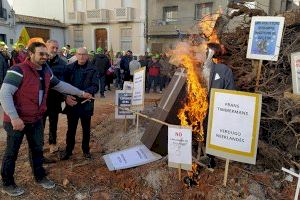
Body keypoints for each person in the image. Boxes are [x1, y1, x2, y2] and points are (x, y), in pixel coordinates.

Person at [0, 42, 92, 197]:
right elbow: (4, 93)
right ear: (30, 53)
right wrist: (15, 118)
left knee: (37, 150)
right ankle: (7, 183)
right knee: (11, 153)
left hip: (35, 119)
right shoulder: (18, 70)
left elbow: (61, 85)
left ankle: (40, 177)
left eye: (46, 54)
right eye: (40, 53)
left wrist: (81, 93)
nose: (45, 56)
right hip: (17, 121)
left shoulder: (46, 71)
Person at [61, 47, 99, 160]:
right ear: (75, 55)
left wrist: (87, 93)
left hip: (86, 103)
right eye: (79, 54)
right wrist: (66, 96)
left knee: (86, 128)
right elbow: (63, 84)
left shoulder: (93, 69)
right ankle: (68, 151)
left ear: (87, 56)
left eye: (84, 54)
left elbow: (95, 86)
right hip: (72, 103)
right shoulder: (69, 68)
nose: (81, 56)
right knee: (71, 128)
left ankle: (86, 150)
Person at [202, 42, 236, 168]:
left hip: (215, 110)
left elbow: (231, 92)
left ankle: (211, 156)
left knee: (212, 132)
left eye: (209, 51)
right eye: (206, 50)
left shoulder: (223, 70)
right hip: (196, 108)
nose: (207, 53)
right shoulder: (193, 68)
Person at [43, 40, 67, 154]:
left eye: (56, 48)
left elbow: (63, 81)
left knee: (53, 122)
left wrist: (64, 96)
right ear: (46, 47)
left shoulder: (62, 63)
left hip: (54, 98)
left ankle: (52, 143)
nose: (54, 50)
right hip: (41, 99)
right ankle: (39, 145)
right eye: (52, 47)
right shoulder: (40, 61)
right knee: (39, 124)